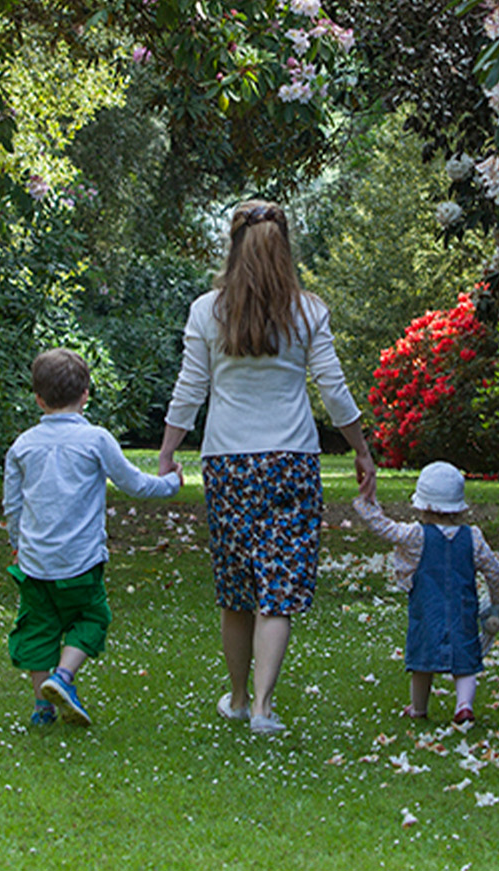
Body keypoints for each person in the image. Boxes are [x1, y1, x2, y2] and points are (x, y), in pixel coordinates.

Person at [158, 199, 377, 735]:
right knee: (276, 586)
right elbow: (333, 389)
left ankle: (235, 698)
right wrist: (361, 448)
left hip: (227, 462)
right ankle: (262, 708)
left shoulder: (206, 310)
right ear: (286, 249)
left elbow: (190, 389)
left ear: (234, 247)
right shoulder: (309, 311)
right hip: (291, 460)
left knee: (237, 588)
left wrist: (167, 452)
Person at [4, 348, 182, 727]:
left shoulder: (22, 445)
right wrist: (170, 483)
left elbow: (13, 505)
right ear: (86, 393)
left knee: (38, 628)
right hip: (81, 560)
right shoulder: (96, 440)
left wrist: (17, 545)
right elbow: (133, 483)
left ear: (37, 398)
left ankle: (42, 709)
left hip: (34, 563)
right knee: (92, 616)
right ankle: (63, 677)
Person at [354, 461, 499, 726]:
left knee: (421, 661)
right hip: (463, 611)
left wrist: (366, 504)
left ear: (423, 505)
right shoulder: (472, 537)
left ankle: (418, 708)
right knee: (466, 663)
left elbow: (385, 528)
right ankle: (463, 706)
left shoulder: (417, 536)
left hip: (427, 612)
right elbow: (495, 572)